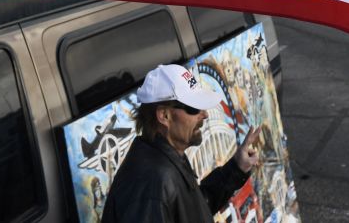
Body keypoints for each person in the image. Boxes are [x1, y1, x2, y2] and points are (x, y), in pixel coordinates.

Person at [101, 64, 261, 223]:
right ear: (164, 116)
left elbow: (192, 210)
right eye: (193, 108)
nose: (204, 114)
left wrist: (236, 168)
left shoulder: (165, 156)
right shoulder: (153, 184)